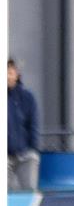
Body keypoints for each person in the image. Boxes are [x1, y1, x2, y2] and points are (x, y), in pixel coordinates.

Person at [8, 59, 40, 191]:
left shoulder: (27, 98)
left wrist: (33, 149)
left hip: (25, 154)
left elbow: (33, 125)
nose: (7, 77)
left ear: (17, 74)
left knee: (29, 191)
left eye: (10, 73)